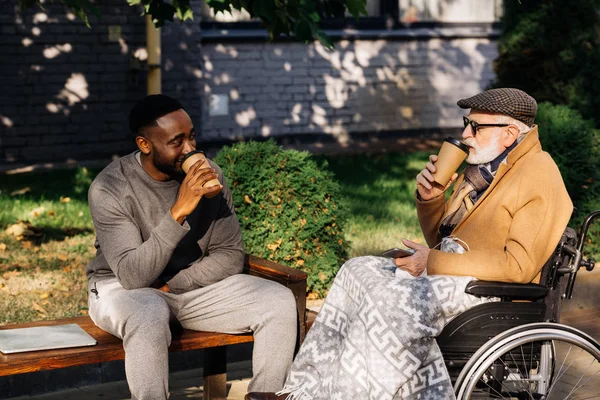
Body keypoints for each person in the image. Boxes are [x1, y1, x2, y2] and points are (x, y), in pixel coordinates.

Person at [245, 88, 573, 400]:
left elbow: (518, 267)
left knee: (387, 300)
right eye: (466, 124)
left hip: (491, 292)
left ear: (509, 133)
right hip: (458, 277)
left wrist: (432, 262)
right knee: (356, 271)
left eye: (475, 126)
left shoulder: (537, 173)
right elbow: (442, 240)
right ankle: (303, 391)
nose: (465, 135)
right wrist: (431, 200)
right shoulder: (483, 170)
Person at [86, 94, 297, 400]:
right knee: (147, 313)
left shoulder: (210, 175)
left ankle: (265, 396)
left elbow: (229, 254)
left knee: (277, 300)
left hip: (189, 287)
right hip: (122, 289)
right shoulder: (110, 188)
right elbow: (132, 276)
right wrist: (178, 212)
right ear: (145, 145)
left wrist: (176, 284)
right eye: (177, 142)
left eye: (192, 136)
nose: (190, 149)